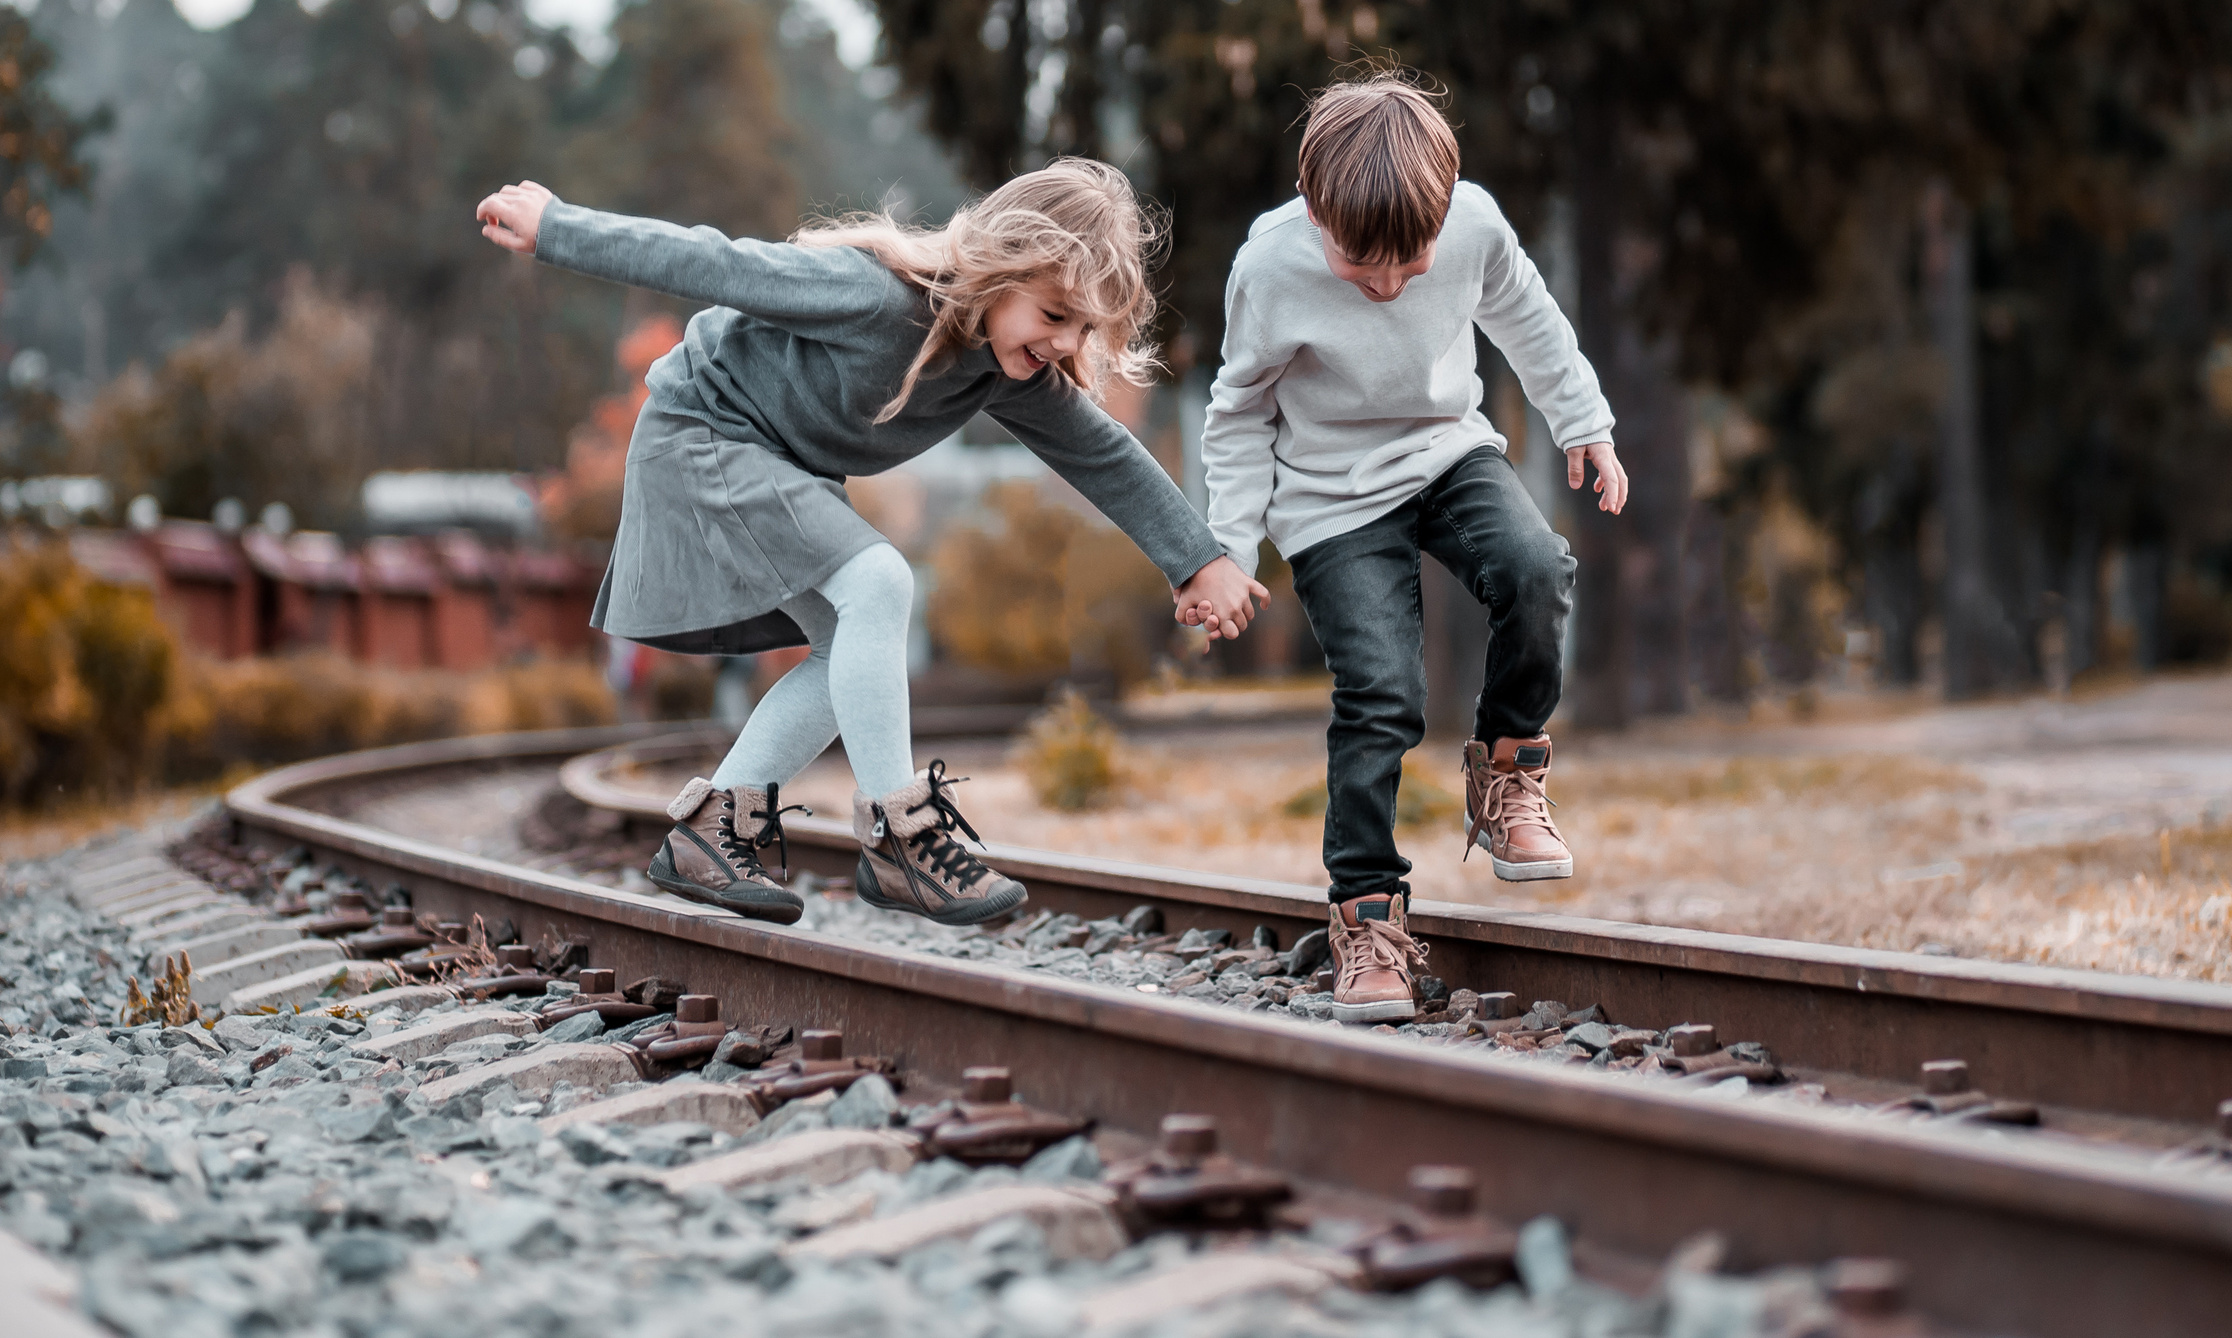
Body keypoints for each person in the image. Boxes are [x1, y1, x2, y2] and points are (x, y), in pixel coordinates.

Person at [477, 159, 1265, 928]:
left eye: (1085, 328)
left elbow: (1102, 452)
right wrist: (557, 228)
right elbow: (710, 261)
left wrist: (1198, 561)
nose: (1065, 343)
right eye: (1055, 315)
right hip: (703, 434)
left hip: (775, 467)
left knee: (851, 645)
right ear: (999, 270)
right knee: (880, 582)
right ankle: (901, 837)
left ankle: (711, 831)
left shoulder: (1005, 368)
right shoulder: (873, 297)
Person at [1197, 72, 1625, 1024]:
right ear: (1314, 210)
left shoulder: (1472, 224)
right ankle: (1367, 919)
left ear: (1447, 205)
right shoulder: (1269, 268)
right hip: (1330, 497)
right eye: (1362, 267)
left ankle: (1507, 772)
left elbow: (1530, 320)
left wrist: (1584, 422)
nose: (1389, 286)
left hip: (1446, 452)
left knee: (1536, 566)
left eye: (1412, 265)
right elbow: (1238, 412)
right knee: (1383, 692)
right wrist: (1228, 548)